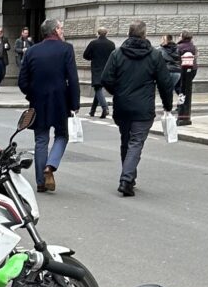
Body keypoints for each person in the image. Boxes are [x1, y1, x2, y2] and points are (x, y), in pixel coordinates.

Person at [101, 20, 174, 197]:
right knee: (136, 143)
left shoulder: (117, 54)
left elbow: (106, 79)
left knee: (126, 141)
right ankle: (126, 179)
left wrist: (118, 91)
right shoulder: (154, 56)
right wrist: (168, 105)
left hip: (122, 106)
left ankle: (129, 178)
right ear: (144, 34)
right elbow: (165, 83)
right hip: (143, 107)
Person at [18, 19, 78, 193]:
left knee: (41, 141)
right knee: (62, 135)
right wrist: (74, 102)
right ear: (56, 30)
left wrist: (32, 94)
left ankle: (40, 182)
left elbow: (22, 81)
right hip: (60, 101)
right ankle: (51, 166)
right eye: (61, 28)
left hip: (38, 102)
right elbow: (72, 79)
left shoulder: (31, 51)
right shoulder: (66, 49)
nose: (62, 31)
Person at [83, 26, 115, 119]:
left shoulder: (93, 43)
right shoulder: (111, 44)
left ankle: (105, 108)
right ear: (107, 33)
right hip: (107, 69)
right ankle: (92, 111)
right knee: (98, 89)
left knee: (98, 88)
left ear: (98, 33)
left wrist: (92, 57)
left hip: (97, 69)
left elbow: (85, 55)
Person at [175, 31, 198, 124]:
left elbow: (176, 58)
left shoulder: (179, 47)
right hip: (193, 69)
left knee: (181, 89)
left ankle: (182, 113)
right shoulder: (193, 47)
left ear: (183, 37)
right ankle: (184, 112)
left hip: (183, 70)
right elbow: (196, 56)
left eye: (180, 36)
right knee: (186, 89)